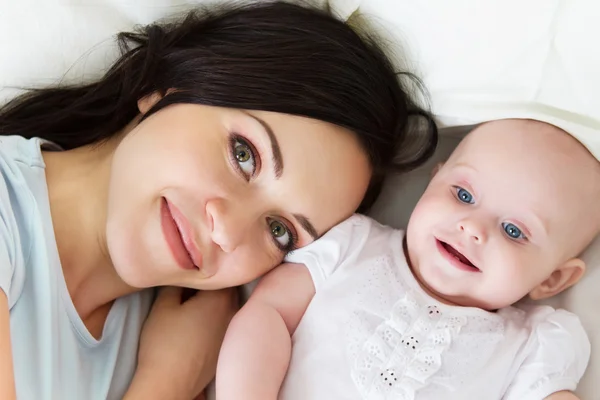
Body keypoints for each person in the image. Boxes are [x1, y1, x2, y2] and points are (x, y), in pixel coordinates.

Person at [0, 1, 438, 399]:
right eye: (243, 155)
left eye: (279, 230)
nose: (227, 232)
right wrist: (165, 383)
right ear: (166, 86)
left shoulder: (198, 344)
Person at [217, 119, 600, 400]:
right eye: (463, 196)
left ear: (552, 280)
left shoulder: (531, 346)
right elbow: (267, 313)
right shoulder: (351, 245)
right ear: (433, 182)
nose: (472, 228)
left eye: (514, 231)